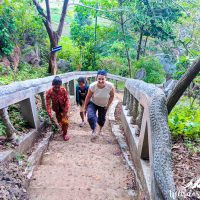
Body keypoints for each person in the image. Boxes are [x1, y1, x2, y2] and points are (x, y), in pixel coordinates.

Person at [83, 70, 115, 141]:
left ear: (106, 79)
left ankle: (100, 131)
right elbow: (88, 97)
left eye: (102, 79)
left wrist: (108, 105)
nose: (101, 81)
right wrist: (84, 107)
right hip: (93, 103)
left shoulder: (110, 86)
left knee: (101, 119)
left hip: (104, 105)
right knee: (90, 116)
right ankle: (94, 130)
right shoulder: (92, 86)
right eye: (99, 79)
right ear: (96, 78)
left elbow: (112, 96)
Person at [46, 76, 70, 141]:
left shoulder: (63, 90)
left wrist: (66, 109)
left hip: (64, 107)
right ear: (52, 85)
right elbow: (48, 103)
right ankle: (63, 129)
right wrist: (49, 112)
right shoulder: (49, 92)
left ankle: (65, 133)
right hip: (56, 109)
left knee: (64, 121)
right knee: (60, 121)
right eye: (55, 87)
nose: (57, 89)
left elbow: (67, 100)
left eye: (58, 87)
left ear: (60, 85)